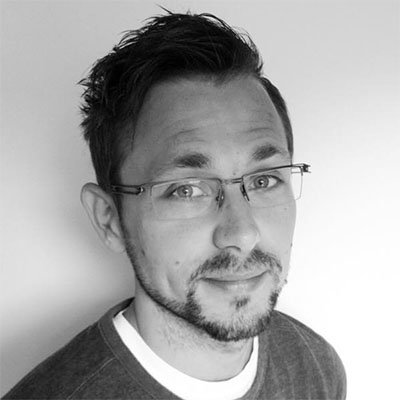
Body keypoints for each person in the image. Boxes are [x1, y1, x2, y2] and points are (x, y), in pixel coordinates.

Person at [4, 11, 346, 400]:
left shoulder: (316, 367)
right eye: (186, 189)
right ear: (110, 219)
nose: (242, 233)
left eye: (263, 180)